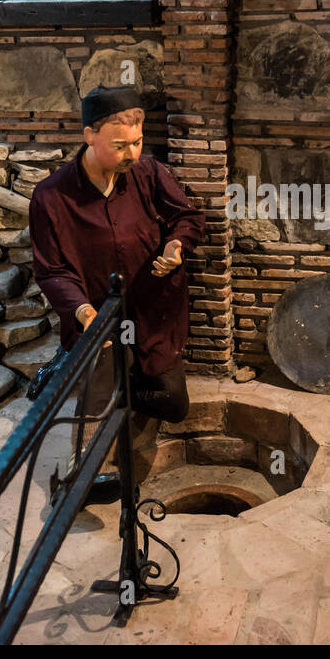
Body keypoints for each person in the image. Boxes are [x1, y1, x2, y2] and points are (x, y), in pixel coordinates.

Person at [29, 84, 205, 493]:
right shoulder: (51, 197)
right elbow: (51, 271)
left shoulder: (148, 173)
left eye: (138, 143)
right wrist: (84, 313)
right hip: (98, 316)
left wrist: (176, 246)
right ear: (89, 135)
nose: (132, 155)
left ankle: (80, 382)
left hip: (150, 312)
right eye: (120, 145)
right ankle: (77, 480)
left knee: (174, 406)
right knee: (99, 389)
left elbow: (188, 218)